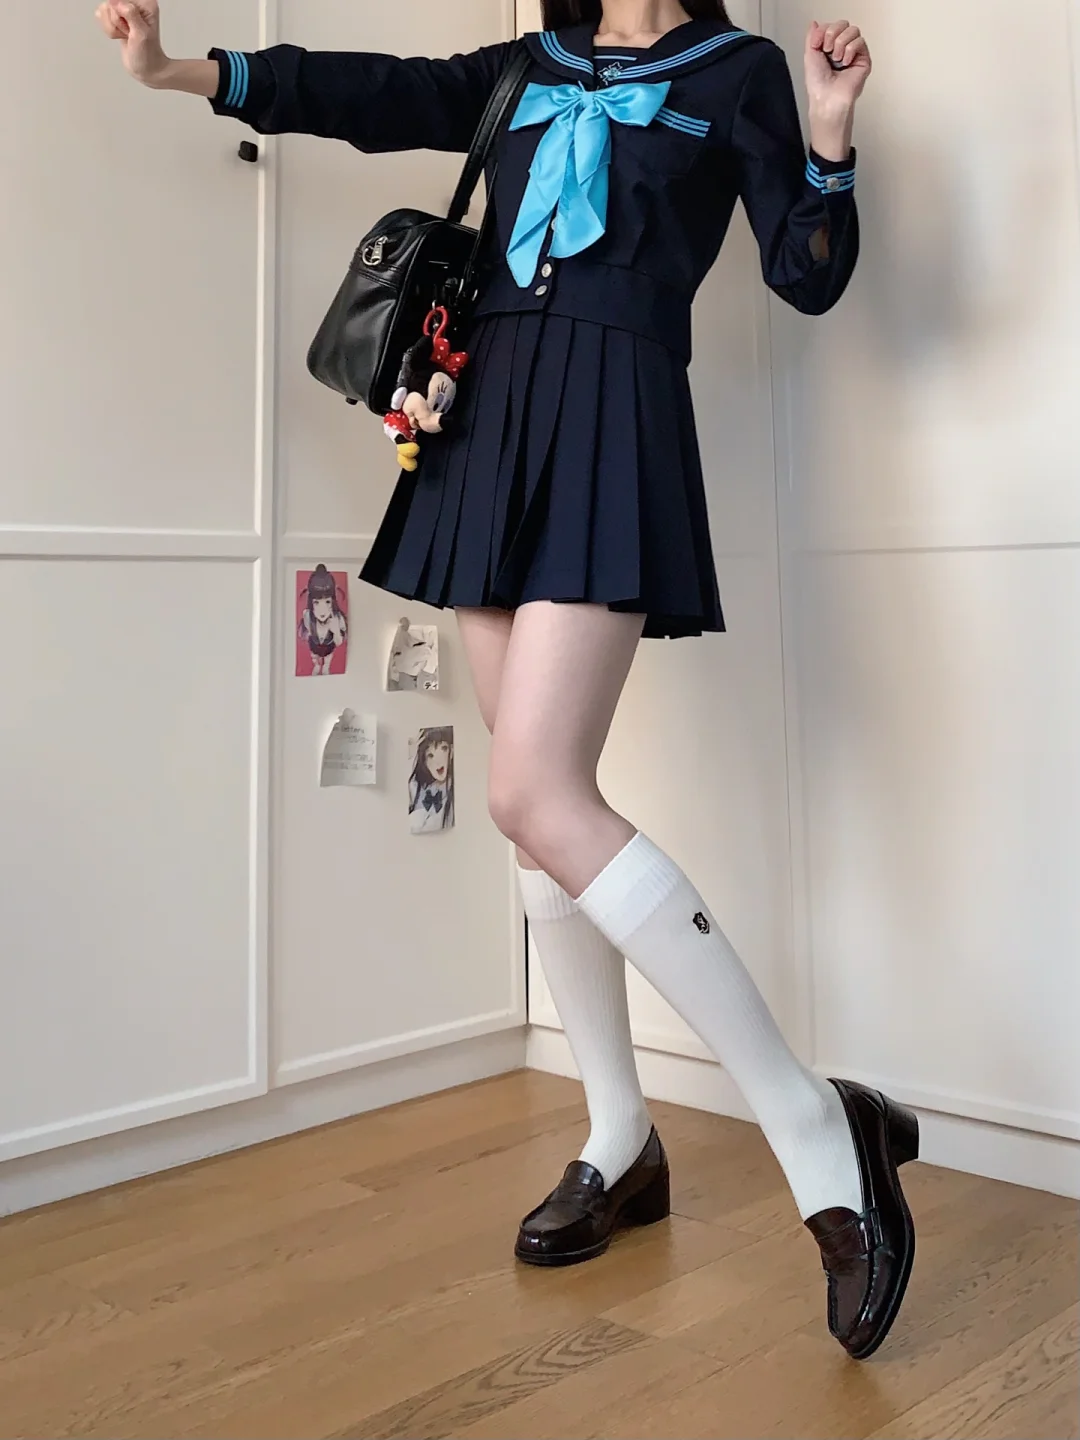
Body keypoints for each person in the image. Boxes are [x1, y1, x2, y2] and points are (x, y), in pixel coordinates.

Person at [96, 0, 917, 1360]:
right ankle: (620, 1133)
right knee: (533, 813)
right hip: (485, 419)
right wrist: (186, 71)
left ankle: (816, 1126)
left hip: (614, 417)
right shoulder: (528, 63)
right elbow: (372, 91)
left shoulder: (740, 73)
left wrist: (827, 141)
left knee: (538, 791)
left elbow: (806, 275)